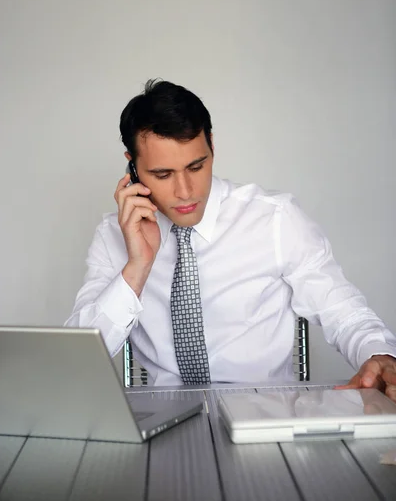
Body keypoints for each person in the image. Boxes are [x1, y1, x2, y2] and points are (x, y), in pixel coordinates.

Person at [65, 79, 396, 399]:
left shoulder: (275, 219)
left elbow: (343, 310)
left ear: (211, 144)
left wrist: (379, 354)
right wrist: (138, 266)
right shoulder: (113, 235)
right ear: (132, 167)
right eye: (163, 174)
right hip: (162, 417)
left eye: (196, 166)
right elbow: (78, 360)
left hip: (264, 414)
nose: (185, 192)